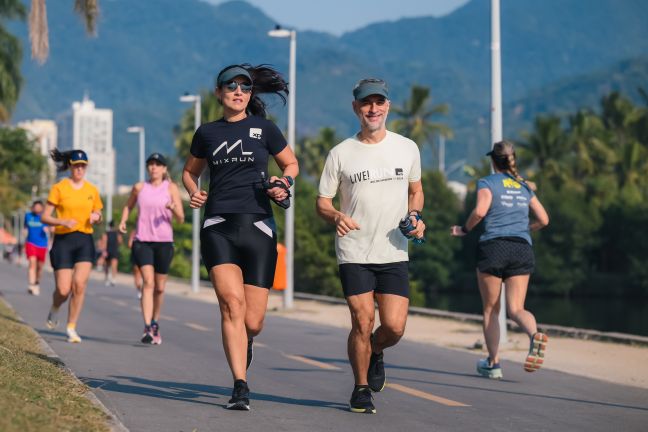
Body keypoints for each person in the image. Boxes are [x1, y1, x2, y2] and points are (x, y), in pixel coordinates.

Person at [182, 64, 298, 411]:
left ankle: (246, 341)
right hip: (217, 224)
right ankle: (240, 385)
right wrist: (194, 191)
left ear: (250, 94)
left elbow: (290, 165)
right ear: (219, 93)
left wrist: (283, 184)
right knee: (231, 304)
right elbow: (190, 172)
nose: (238, 91)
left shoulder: (265, 129)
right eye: (230, 86)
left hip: (259, 226)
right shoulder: (206, 133)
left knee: (253, 321)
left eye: (244, 87)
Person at [316, 78, 425, 414]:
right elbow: (322, 202)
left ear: (388, 106)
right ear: (356, 108)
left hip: (393, 251)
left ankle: (376, 350)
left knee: (393, 327)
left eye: (379, 102)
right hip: (354, 251)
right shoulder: (340, 153)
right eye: (366, 103)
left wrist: (416, 216)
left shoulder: (407, 147)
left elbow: (416, 191)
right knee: (362, 320)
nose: (373, 109)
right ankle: (361, 388)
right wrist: (336, 216)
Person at [450, 140, 550, 379]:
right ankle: (535, 335)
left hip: (494, 247)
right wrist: (526, 228)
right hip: (521, 247)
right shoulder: (523, 186)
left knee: (491, 310)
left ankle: (493, 363)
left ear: (493, 161)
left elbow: (480, 211)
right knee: (516, 308)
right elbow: (544, 219)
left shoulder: (487, 182)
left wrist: (464, 229)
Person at [119, 152, 184, 345]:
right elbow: (128, 206)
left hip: (164, 242)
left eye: (158, 164)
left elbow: (181, 218)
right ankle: (147, 326)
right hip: (143, 241)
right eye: (151, 164)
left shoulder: (171, 188)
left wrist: (173, 208)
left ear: (164, 169)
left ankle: (155, 322)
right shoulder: (139, 187)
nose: (153, 167)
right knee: (148, 282)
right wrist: (123, 221)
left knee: (160, 287)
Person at [41, 149, 103, 343]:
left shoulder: (92, 190)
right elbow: (44, 216)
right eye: (76, 165)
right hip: (63, 241)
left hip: (85, 240)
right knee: (63, 289)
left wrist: (96, 217)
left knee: (79, 285)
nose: (79, 169)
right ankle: (55, 307)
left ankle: (71, 327)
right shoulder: (60, 188)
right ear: (69, 166)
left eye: (83, 165)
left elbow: (99, 214)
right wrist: (62, 222)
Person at [23, 200, 49, 296]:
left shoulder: (44, 217)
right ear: (33, 208)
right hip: (30, 243)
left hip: (42, 245)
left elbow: (50, 228)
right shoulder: (28, 216)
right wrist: (24, 240)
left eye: (39, 207)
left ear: (42, 208)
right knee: (32, 263)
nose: (37, 209)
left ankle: (37, 283)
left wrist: (49, 230)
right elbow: (25, 228)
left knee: (39, 267)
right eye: (35, 207)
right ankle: (31, 284)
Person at [101, 220, 122, 286]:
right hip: (114, 250)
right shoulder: (117, 233)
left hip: (108, 250)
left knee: (107, 265)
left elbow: (104, 242)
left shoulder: (106, 233)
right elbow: (120, 241)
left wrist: (104, 251)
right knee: (114, 265)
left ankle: (107, 278)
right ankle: (113, 279)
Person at [128, 229, 143, 299]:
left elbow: (130, 244)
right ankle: (142, 289)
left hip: (136, 254)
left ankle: (140, 290)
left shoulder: (134, 232)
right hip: (144, 255)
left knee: (137, 275)